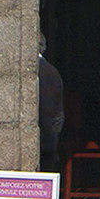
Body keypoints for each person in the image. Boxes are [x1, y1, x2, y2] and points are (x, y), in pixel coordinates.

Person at [38, 35, 64, 172]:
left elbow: (48, 111)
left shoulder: (42, 71)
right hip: (48, 140)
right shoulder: (52, 72)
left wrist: (48, 140)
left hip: (42, 141)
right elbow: (58, 115)